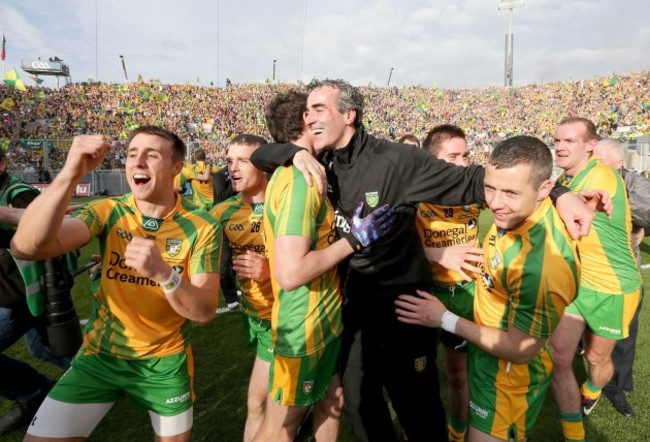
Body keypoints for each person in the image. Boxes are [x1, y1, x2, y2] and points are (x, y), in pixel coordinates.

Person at [251, 79, 600, 441]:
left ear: (349, 114)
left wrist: (559, 193)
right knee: (363, 410)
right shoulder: (320, 163)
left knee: (419, 415)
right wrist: (292, 154)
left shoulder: (398, 161)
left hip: (405, 312)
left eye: (319, 109)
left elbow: (478, 180)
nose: (309, 118)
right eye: (307, 112)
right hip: (352, 312)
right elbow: (260, 154)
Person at [11, 126, 222, 441]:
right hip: (101, 356)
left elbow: (204, 311)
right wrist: (71, 172)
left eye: (151, 155)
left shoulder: (202, 225)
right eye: (132, 155)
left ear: (177, 168)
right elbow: (26, 246)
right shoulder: (108, 210)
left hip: (163, 364)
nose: (137, 163)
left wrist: (165, 273)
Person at [396, 135, 580, 442]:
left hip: (507, 379)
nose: (494, 202)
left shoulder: (543, 267)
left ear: (543, 190)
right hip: (486, 357)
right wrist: (565, 195)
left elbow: (520, 350)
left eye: (509, 192)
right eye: (490, 188)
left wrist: (443, 318)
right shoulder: (515, 216)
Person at [253, 90, 395, 442]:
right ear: (305, 119)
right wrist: (354, 241)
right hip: (304, 324)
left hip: (323, 320)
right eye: (315, 110)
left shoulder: (303, 166)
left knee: (332, 399)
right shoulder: (301, 180)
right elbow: (290, 273)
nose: (322, 117)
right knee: (282, 425)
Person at [550, 118, 641, 441]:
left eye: (569, 141)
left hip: (613, 288)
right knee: (558, 354)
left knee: (595, 358)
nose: (560, 146)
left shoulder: (600, 175)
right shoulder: (566, 177)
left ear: (590, 145)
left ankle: (592, 387)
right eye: (557, 140)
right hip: (578, 284)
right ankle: (573, 430)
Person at [416, 124, 483, 442]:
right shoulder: (415, 198)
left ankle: (459, 430)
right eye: (453, 156)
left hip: (474, 294)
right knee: (432, 374)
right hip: (432, 296)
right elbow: (395, 248)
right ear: (433, 162)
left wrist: (562, 195)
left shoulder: (473, 196)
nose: (462, 162)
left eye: (465, 155)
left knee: (471, 373)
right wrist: (438, 253)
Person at [0, 149, 71, 436]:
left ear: (2, 164)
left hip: (21, 295)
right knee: (41, 347)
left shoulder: (17, 192)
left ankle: (34, 393)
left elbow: (47, 236)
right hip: (12, 294)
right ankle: (102, 376)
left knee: (46, 344)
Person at [210, 134, 272, 441]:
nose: (232, 169)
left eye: (243, 161)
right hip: (254, 317)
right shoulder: (222, 212)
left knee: (258, 402)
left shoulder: (287, 205)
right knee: (265, 402)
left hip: (286, 319)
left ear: (264, 166)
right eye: (229, 161)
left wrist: (271, 271)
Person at [592, 138, 650, 419]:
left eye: (600, 163)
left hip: (623, 274)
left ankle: (616, 387)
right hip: (588, 272)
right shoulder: (585, 181)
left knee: (624, 335)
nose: (595, 168)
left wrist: (617, 200)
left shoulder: (634, 184)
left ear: (619, 164)